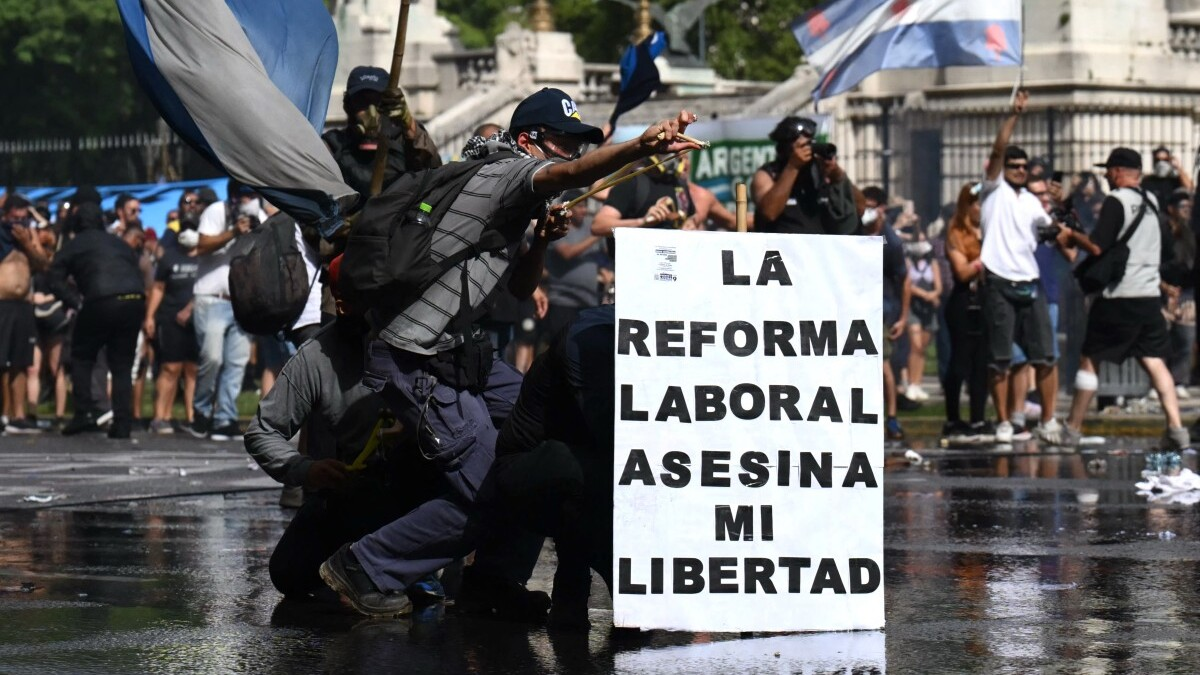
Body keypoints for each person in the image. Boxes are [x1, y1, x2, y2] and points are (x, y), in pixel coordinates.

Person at [317, 89, 702, 618]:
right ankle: (364, 567)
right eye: (563, 145)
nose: (569, 156)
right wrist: (639, 146)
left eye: (575, 146)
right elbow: (568, 176)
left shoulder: (511, 198)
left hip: (460, 353)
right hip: (415, 357)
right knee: (492, 490)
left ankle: (493, 579)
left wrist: (540, 240)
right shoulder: (505, 173)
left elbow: (521, 289)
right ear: (528, 143)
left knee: (535, 446)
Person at [1062, 148, 1188, 449]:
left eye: (1109, 170)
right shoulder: (1152, 201)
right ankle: (1176, 428)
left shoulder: (1116, 201)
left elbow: (1096, 246)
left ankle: (1072, 428)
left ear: (1119, 171)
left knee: (1090, 358)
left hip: (1119, 295)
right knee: (1155, 360)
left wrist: (1070, 235)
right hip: (1147, 295)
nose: (1105, 175)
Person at [978, 90, 1062, 445]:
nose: (1019, 171)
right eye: (1014, 166)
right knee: (999, 358)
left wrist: (1057, 220)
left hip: (1029, 280)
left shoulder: (1031, 201)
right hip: (998, 278)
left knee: (1045, 355)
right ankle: (1003, 421)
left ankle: (1048, 419)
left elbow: (1048, 233)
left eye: (1024, 167)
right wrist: (1013, 115)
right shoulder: (991, 189)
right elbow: (998, 151)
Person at [48, 203, 146, 439]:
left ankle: (84, 413)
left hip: (101, 299)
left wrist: (75, 302)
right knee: (122, 364)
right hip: (134, 298)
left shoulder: (74, 245)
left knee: (82, 355)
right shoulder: (118, 243)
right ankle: (123, 423)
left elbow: (54, 279)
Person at [190, 183, 263, 442]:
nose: (246, 201)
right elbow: (201, 245)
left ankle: (225, 418)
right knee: (212, 358)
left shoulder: (259, 215)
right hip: (212, 298)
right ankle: (200, 411)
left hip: (241, 301)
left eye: (251, 196)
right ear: (232, 197)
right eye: (242, 196)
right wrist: (233, 231)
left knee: (236, 363)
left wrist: (256, 232)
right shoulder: (215, 211)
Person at [322, 65, 441, 197]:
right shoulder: (334, 145)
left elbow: (434, 170)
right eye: (363, 102)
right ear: (349, 106)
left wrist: (409, 125)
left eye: (378, 102)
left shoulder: (406, 142)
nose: (372, 112)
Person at [750, 116, 859, 235]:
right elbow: (769, 213)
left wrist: (838, 177)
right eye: (801, 146)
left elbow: (860, 209)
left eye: (810, 144)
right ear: (785, 148)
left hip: (821, 250)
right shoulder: (769, 174)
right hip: (781, 250)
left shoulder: (821, 172)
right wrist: (793, 167)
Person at [943, 183, 992, 441]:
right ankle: (952, 418)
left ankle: (978, 417)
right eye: (976, 204)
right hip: (963, 300)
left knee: (981, 363)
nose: (981, 209)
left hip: (985, 299)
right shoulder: (955, 232)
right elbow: (961, 271)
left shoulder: (991, 230)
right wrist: (985, 259)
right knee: (960, 361)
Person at [143, 215, 200, 435]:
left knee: (193, 370)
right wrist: (150, 316)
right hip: (170, 318)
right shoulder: (169, 257)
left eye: (192, 228)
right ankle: (160, 416)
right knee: (170, 368)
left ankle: (192, 417)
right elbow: (158, 288)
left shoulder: (206, 256)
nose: (187, 232)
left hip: (198, 319)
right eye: (183, 229)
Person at [862, 187, 910, 440]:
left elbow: (904, 279)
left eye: (871, 206)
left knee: (882, 365)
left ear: (882, 209)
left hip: (880, 308)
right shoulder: (853, 232)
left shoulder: (890, 241)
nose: (866, 211)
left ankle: (891, 418)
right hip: (855, 306)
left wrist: (902, 317)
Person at [0, 194, 51, 434]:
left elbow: (42, 264)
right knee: (2, 361)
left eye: (23, 218)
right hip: (2, 303)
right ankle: (4, 413)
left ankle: (19, 415)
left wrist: (28, 243)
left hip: (23, 305)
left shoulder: (28, 236)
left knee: (20, 362)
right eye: (14, 218)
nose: (18, 223)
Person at [590, 153, 697, 256]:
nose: (678, 157)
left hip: (670, 267)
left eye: (679, 153)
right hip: (634, 268)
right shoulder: (632, 183)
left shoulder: (680, 186)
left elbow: (690, 219)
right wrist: (642, 222)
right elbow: (598, 226)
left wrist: (690, 226)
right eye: (670, 151)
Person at [1160, 192, 1195, 396]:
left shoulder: (1191, 232)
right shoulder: (1162, 230)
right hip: (1162, 289)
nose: (1187, 211)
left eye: (1189, 207)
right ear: (1172, 208)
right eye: (1183, 206)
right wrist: (1165, 287)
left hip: (1186, 291)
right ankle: (1159, 382)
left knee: (1185, 338)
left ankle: (1179, 381)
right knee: (1160, 337)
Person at [904, 231, 942, 402]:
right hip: (914, 306)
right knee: (915, 345)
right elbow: (907, 284)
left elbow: (939, 285)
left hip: (928, 308)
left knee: (923, 348)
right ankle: (911, 383)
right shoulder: (907, 262)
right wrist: (922, 294)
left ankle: (918, 383)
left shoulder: (932, 263)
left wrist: (933, 295)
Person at [1141, 145, 1193, 214]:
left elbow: (1190, 188)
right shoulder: (1148, 180)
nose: (1161, 163)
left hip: (1171, 218)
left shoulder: (1175, 180)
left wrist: (1178, 168)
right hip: (1154, 215)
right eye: (1158, 160)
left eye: (1165, 160)